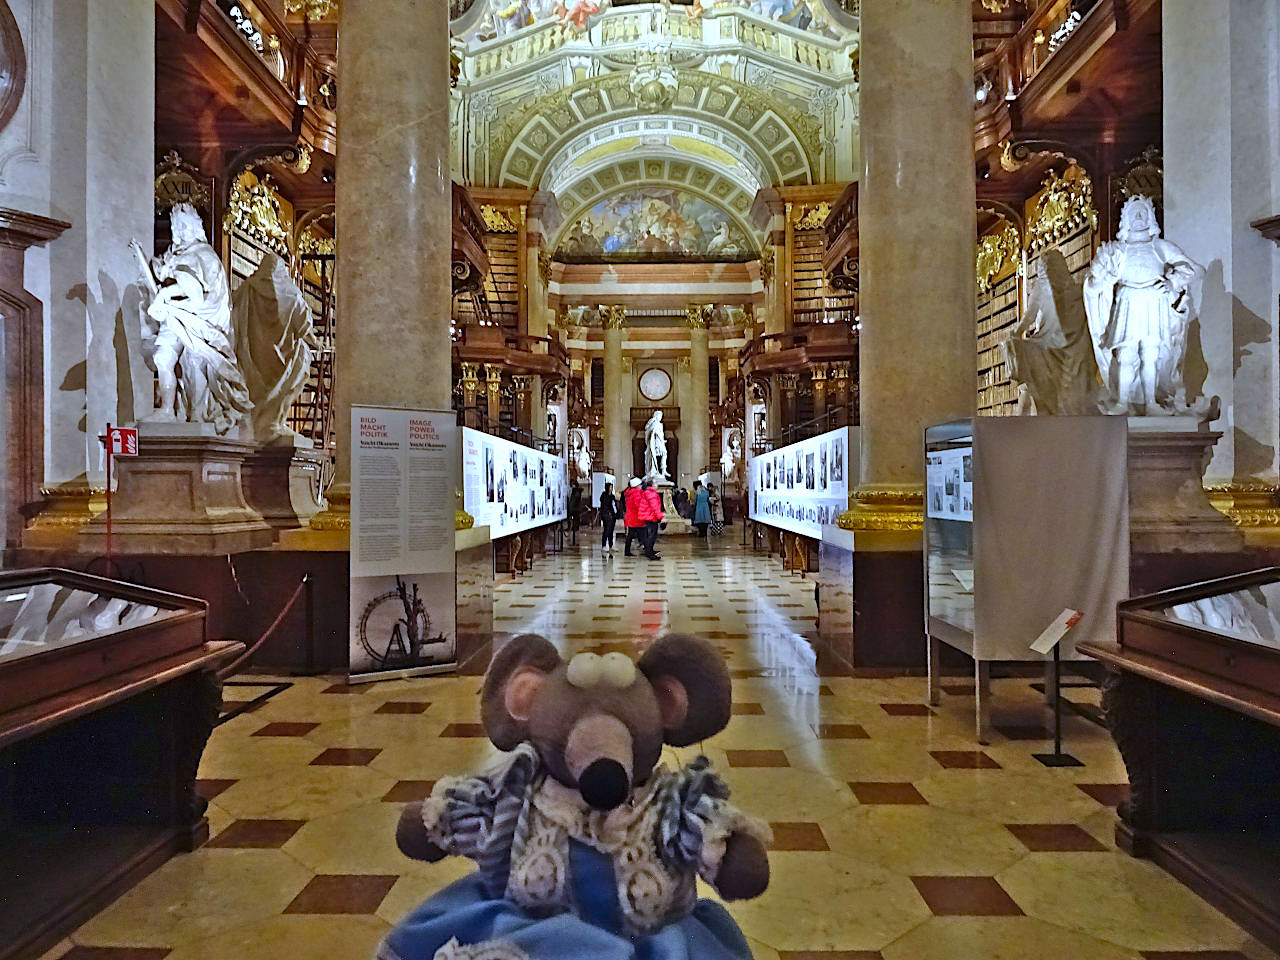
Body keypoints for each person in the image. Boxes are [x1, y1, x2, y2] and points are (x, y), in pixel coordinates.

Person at [637, 478, 664, 560]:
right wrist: (661, 517)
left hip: (647, 516)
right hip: (650, 517)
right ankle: (649, 553)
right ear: (652, 485)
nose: (657, 485)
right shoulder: (651, 494)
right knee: (651, 536)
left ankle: (650, 551)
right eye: (655, 483)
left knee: (650, 535)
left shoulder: (647, 492)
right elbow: (655, 507)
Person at [622, 477, 644, 557]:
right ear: (636, 485)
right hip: (636, 517)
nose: (641, 486)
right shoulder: (636, 493)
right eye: (640, 485)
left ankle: (627, 551)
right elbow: (639, 505)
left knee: (631, 535)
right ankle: (647, 550)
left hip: (631, 517)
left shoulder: (629, 493)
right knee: (642, 534)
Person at [599, 481, 619, 556]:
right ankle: (603, 545)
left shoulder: (612, 496)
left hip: (612, 515)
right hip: (606, 515)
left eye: (612, 487)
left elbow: (614, 505)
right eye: (610, 487)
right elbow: (604, 505)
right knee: (606, 530)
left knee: (611, 530)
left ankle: (611, 545)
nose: (611, 488)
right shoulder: (604, 495)